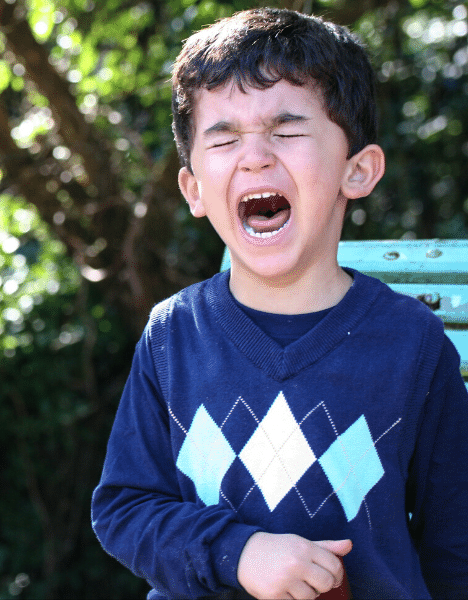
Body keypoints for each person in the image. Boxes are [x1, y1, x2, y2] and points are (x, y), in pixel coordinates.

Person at [91, 7, 468, 599]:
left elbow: (457, 550)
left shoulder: (413, 344)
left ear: (358, 170)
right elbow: (124, 509)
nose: (255, 156)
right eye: (224, 137)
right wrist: (236, 551)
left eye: (287, 129)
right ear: (193, 189)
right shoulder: (172, 336)